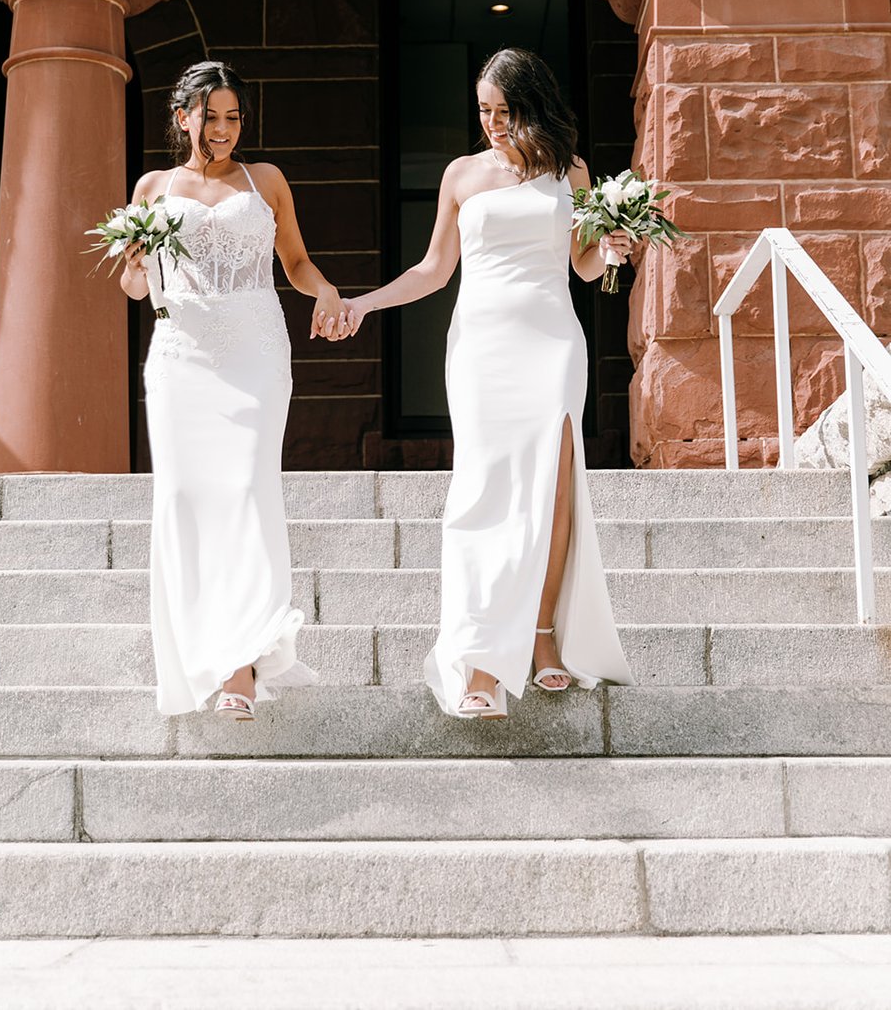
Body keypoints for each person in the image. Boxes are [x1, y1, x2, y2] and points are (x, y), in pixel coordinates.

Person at [347, 47, 636, 718]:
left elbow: (586, 266)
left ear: (532, 106)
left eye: (505, 111)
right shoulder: (460, 174)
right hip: (481, 347)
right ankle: (479, 659)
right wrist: (364, 303)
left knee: (553, 490)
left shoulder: (572, 172)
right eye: (483, 111)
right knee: (481, 492)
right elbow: (432, 271)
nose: (493, 124)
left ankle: (542, 639)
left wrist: (613, 246)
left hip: (553, 341)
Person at [120, 60, 350, 721]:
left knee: (249, 491)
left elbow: (296, 263)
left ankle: (242, 665)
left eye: (233, 117)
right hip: (181, 357)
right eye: (210, 116)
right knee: (189, 500)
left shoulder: (266, 181)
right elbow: (135, 288)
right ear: (182, 116)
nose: (222, 129)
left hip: (253, 352)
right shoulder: (153, 188)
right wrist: (135, 266)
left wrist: (327, 289)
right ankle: (203, 653)